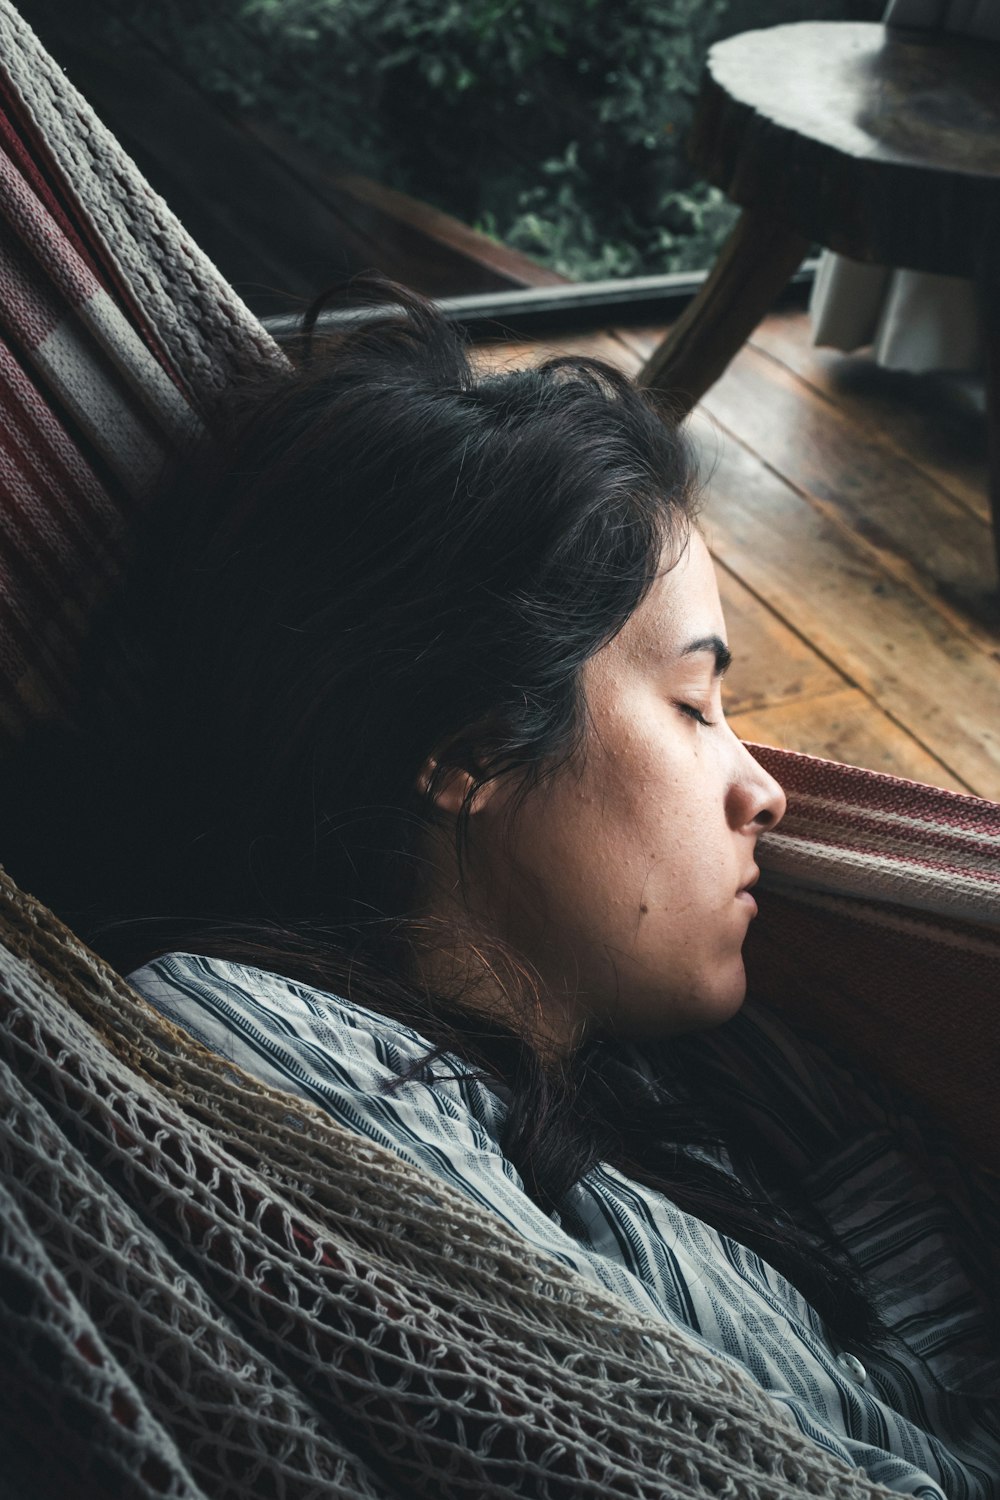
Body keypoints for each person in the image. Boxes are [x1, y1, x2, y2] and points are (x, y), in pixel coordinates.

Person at [8, 282, 998, 1495]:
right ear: (472, 750)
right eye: (695, 706)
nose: (764, 791)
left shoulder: (670, 1063)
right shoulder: (262, 1040)